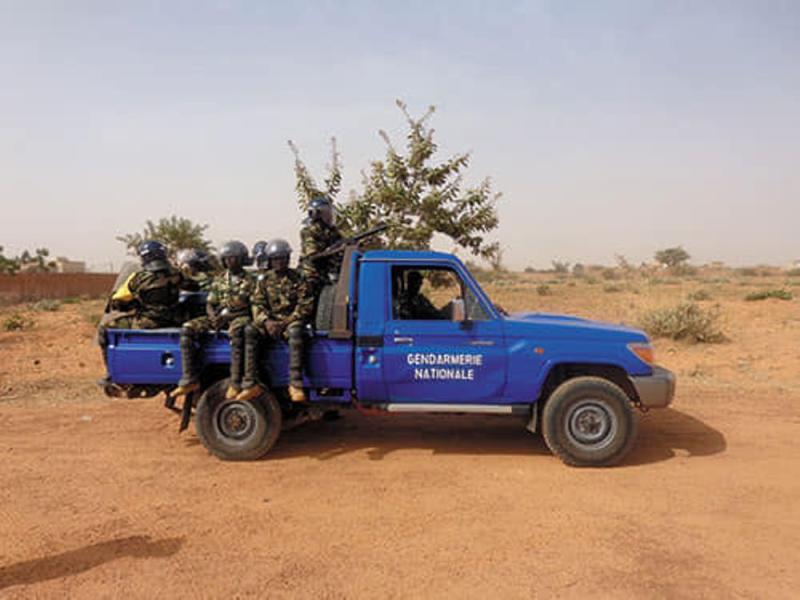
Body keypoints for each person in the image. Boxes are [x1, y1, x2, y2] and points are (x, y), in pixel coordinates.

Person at [173, 241, 255, 400]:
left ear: (241, 259)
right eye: (227, 258)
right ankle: (189, 378)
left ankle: (236, 381)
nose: (230, 262)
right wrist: (212, 317)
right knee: (187, 329)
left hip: (240, 317)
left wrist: (227, 317)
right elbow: (211, 302)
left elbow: (252, 306)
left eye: (234, 258)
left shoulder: (251, 280)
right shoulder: (220, 279)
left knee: (237, 333)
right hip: (219, 316)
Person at [97, 240, 186, 384]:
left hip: (148, 323)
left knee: (105, 329)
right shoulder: (177, 275)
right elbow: (193, 285)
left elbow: (118, 301)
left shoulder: (138, 278)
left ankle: (109, 372)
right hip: (174, 320)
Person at [238, 239, 306, 402]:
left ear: (288, 259)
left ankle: (295, 384)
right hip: (269, 322)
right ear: (270, 260)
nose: (279, 262)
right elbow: (257, 303)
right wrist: (267, 321)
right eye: (276, 258)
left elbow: (305, 305)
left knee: (297, 333)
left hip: (290, 321)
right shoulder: (263, 280)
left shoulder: (298, 278)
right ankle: (250, 383)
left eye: (283, 258)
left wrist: (285, 322)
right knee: (249, 331)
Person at [293, 196, 343, 400]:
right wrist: (336, 250)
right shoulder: (310, 230)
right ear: (317, 214)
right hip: (310, 274)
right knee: (306, 310)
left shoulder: (331, 231)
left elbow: (341, 242)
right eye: (327, 213)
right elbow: (314, 255)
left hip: (324, 276)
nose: (330, 217)